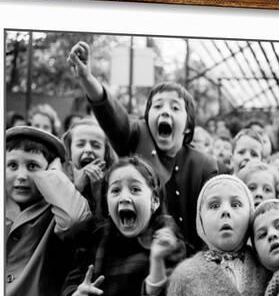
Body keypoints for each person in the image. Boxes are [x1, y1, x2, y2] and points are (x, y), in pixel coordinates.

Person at [67, 41, 218, 254]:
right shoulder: (137, 137)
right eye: (157, 106)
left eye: (175, 107)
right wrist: (87, 78)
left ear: (188, 126)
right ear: (147, 119)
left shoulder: (204, 165)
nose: (165, 111)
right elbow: (113, 116)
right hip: (137, 260)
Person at [59, 156, 185, 296]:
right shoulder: (94, 238)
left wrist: (157, 261)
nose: (124, 198)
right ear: (107, 203)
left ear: (155, 201)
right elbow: (69, 287)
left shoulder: (168, 241)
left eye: (135, 189)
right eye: (116, 190)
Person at [5, 126, 92, 296]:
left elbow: (75, 218)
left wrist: (54, 174)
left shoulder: (54, 211)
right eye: (12, 165)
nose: (21, 176)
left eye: (32, 166)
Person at [164, 175, 270, 296]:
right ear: (200, 219)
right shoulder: (184, 275)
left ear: (250, 214)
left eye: (236, 204)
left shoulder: (266, 263)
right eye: (214, 206)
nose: (225, 211)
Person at [62, 119, 116, 218]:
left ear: (106, 153)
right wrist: (77, 188)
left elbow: (104, 227)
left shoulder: (114, 182)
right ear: (69, 150)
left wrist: (97, 192)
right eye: (80, 145)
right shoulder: (59, 179)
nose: (88, 150)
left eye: (96, 146)